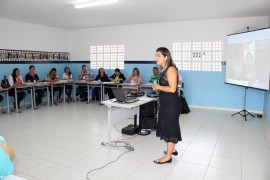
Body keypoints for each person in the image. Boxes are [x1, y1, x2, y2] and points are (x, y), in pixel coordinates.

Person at [152, 47, 182, 164]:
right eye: (156, 55)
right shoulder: (163, 70)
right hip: (166, 103)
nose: (156, 58)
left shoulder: (171, 69)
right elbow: (165, 87)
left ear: (166, 57)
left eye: (159, 55)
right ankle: (172, 149)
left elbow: (173, 88)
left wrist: (159, 87)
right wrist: (157, 87)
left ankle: (168, 157)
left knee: (170, 128)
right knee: (167, 126)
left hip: (172, 104)